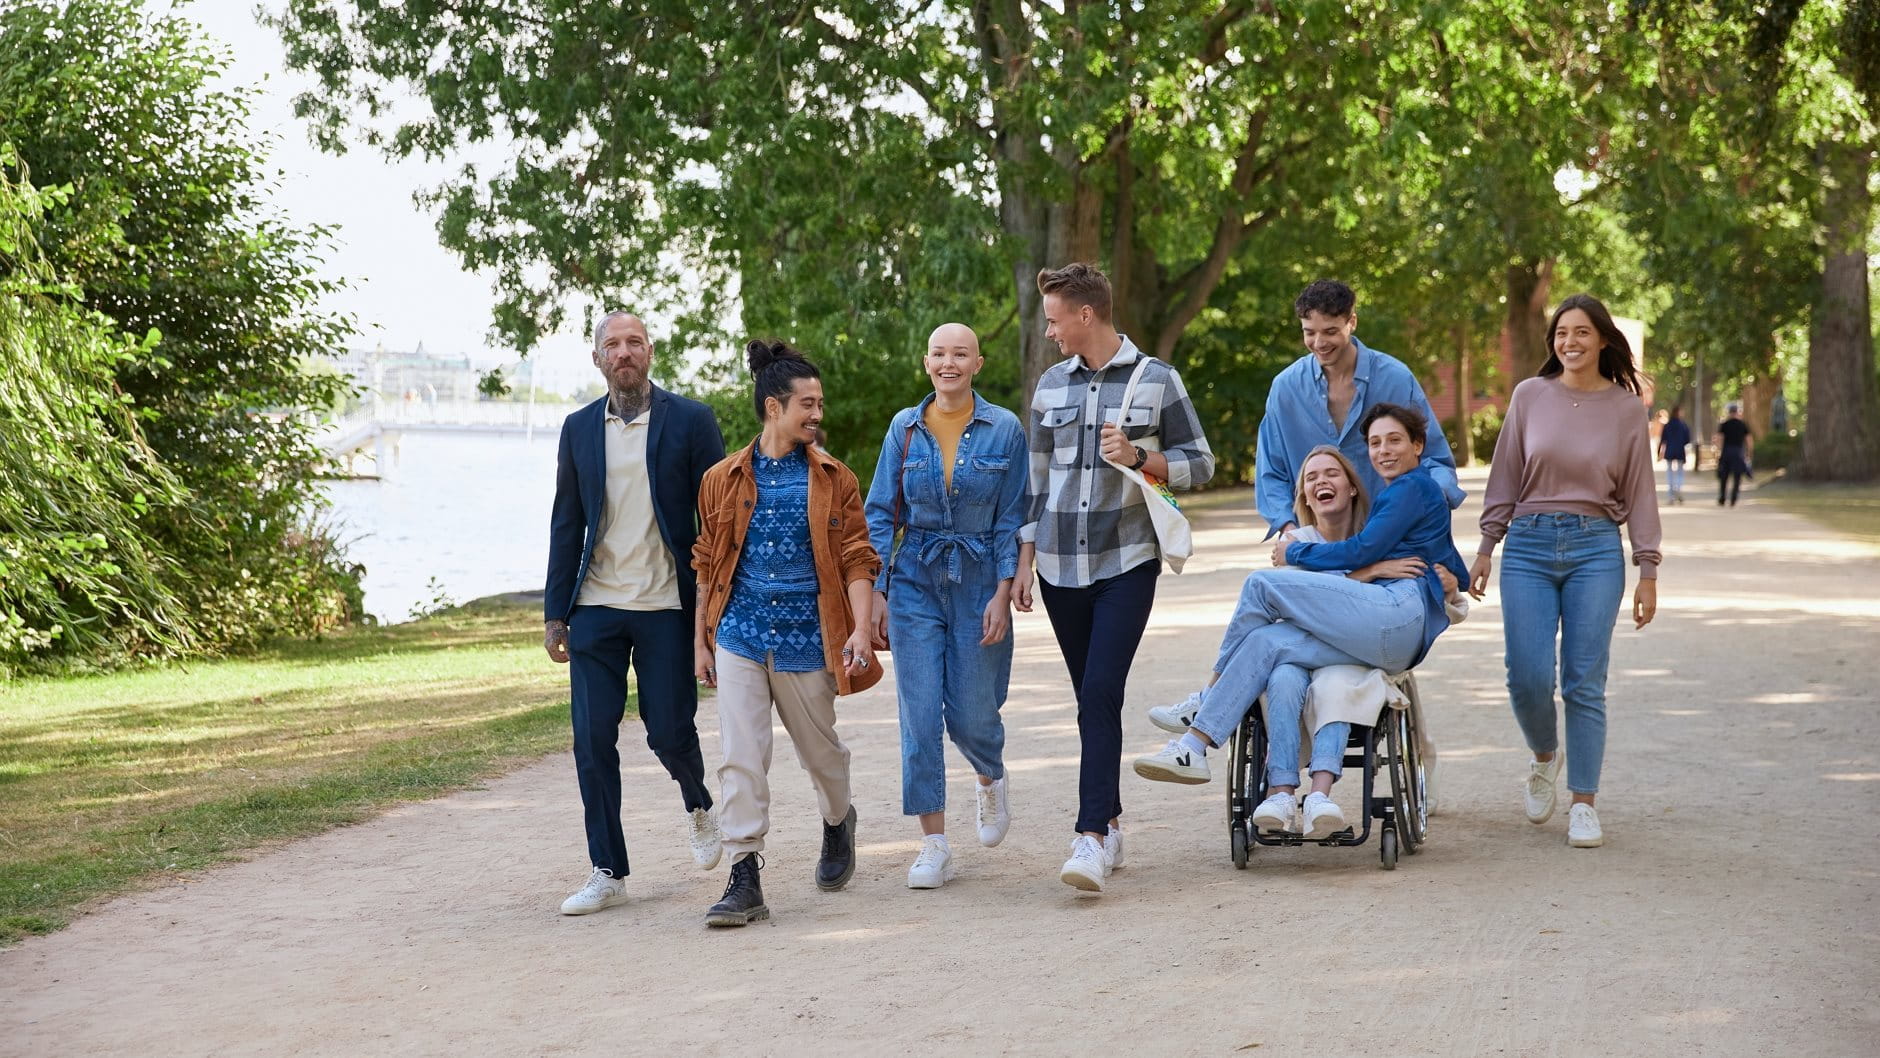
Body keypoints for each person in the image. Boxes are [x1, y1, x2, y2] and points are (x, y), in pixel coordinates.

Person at [1130, 408, 1467, 837]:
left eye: (1395, 440)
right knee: (1269, 644)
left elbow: (1362, 549)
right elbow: (1430, 553)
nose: (1383, 450)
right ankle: (1193, 746)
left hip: (1395, 613)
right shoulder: (1404, 495)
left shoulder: (1410, 489)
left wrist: (1294, 554)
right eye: (1376, 442)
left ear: (1418, 446)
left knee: (1260, 585)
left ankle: (1207, 698)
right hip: (1386, 632)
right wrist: (1453, 572)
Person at [1018, 262, 1215, 893]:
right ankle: (1112, 818)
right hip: (1058, 564)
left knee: (1102, 689)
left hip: (1127, 559)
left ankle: (1090, 838)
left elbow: (1201, 463)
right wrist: (1024, 560)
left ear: (1085, 316)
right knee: (1089, 700)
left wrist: (1139, 457)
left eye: (1054, 320)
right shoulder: (1050, 385)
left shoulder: (1158, 380)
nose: (1049, 332)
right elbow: (1036, 479)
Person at [691, 339, 882, 926]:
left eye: (819, 403)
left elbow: (857, 557)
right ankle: (744, 874)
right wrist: (700, 639)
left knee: (821, 755)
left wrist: (858, 629)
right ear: (774, 407)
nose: (817, 414)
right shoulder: (721, 478)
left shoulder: (835, 478)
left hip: (809, 640)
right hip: (741, 636)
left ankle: (837, 818)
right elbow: (707, 561)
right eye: (808, 403)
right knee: (741, 757)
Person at [544, 311, 727, 917]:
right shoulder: (577, 429)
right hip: (595, 605)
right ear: (597, 359)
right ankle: (607, 870)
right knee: (591, 741)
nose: (623, 352)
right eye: (611, 345)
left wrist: (712, 610)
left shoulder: (692, 422)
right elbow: (567, 521)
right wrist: (555, 612)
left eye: (633, 343)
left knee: (668, 731)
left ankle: (698, 801)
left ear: (650, 351)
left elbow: (719, 521)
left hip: (665, 606)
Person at [1469, 293, 1661, 849]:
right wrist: (1486, 546)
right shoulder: (1530, 396)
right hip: (1527, 547)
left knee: (1584, 680)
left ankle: (1584, 803)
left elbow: (1641, 494)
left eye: (1581, 332)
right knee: (1526, 675)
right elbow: (1505, 475)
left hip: (1596, 548)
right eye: (1561, 333)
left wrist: (1647, 568)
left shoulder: (1627, 409)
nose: (1569, 342)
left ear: (1602, 339)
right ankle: (1544, 757)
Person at [864, 323, 1028, 889]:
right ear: (926, 362)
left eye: (960, 353)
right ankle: (933, 842)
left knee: (972, 714)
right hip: (914, 581)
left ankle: (989, 776)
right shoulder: (904, 429)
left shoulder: (1005, 428)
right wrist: (878, 593)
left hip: (980, 578)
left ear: (978, 363)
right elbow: (880, 513)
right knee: (918, 715)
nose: (948, 362)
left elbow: (1011, 518)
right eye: (939, 353)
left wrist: (1003, 593)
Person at [1256, 279, 1463, 538]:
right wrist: (1291, 531)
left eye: (1330, 331)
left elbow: (1435, 459)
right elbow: (1271, 474)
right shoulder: (1284, 389)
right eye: (1309, 332)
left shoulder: (1396, 379)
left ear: (1352, 322)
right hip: (1316, 543)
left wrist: (1424, 513)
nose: (1319, 343)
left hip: (1395, 538)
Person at [1714, 402, 1753, 506]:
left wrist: (1718, 451)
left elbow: (1719, 438)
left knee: (1724, 476)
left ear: (1729, 412)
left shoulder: (1724, 424)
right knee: (1737, 476)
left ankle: (1722, 497)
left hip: (1726, 452)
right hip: (1738, 452)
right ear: (1737, 412)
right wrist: (1749, 453)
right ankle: (1734, 498)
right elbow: (1749, 440)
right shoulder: (1742, 424)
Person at [1658, 404, 1691, 504]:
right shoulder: (1683, 425)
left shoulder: (1667, 425)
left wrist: (1658, 453)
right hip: (1680, 450)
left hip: (1670, 450)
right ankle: (1678, 487)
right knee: (1680, 472)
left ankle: (1671, 495)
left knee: (1670, 473)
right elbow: (1687, 440)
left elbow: (1663, 440)